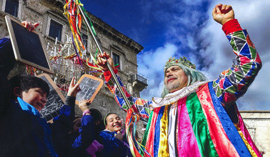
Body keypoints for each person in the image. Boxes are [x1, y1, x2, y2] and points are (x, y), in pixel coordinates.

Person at [97, 4, 262, 157]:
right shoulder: (156, 108)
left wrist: (229, 23)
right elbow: (128, 103)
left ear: (189, 75)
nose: (169, 73)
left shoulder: (212, 93)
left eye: (175, 69)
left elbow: (249, 65)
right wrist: (109, 72)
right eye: (166, 72)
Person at [0, 75, 80, 156]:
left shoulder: (40, 126)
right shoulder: (6, 111)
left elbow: (61, 126)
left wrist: (70, 98)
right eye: (40, 93)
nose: (45, 100)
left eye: (46, 97)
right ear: (18, 92)